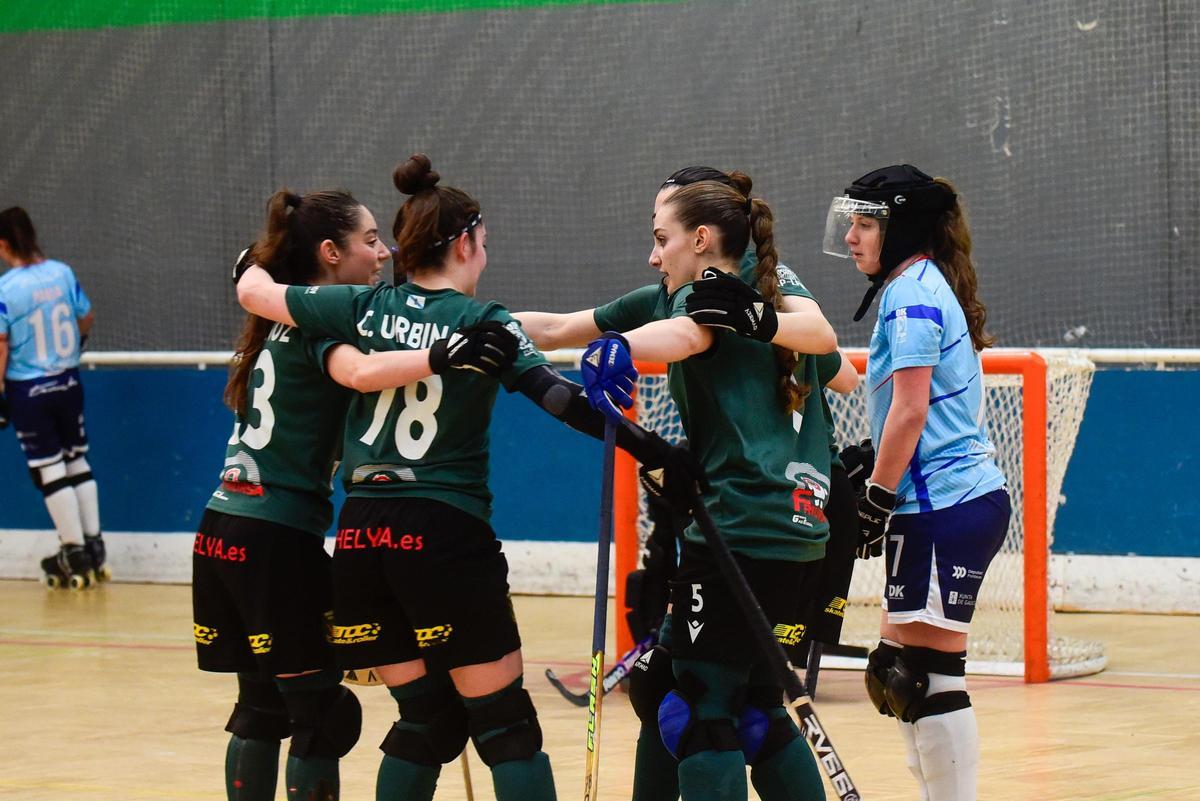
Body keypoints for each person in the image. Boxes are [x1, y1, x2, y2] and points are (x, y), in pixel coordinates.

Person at [234, 154, 700, 801]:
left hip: (362, 534)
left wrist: (248, 265)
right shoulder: (487, 324)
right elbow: (560, 399)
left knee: (426, 719)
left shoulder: (362, 307)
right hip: (442, 531)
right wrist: (654, 450)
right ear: (464, 242)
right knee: (505, 723)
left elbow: (264, 295)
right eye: (483, 241)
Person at [518, 167, 855, 800]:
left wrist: (626, 348)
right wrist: (471, 324)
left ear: (701, 236)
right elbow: (842, 375)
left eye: (661, 236)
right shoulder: (750, 287)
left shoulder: (737, 290)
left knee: (703, 710)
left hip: (740, 530)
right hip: (802, 535)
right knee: (704, 695)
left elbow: (693, 333)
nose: (652, 254)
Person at [194, 187, 445, 801]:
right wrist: (445, 353)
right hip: (277, 537)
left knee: (261, 706)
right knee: (320, 718)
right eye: (369, 241)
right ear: (330, 254)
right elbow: (358, 372)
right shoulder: (323, 319)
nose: (383, 252)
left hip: (222, 529)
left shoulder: (274, 322)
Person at [822, 164, 1010, 801]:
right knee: (897, 674)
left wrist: (876, 494)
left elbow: (911, 409)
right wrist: (880, 475)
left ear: (899, 229)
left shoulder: (914, 294)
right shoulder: (916, 286)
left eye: (866, 222)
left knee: (926, 676)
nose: (851, 235)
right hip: (935, 502)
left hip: (944, 502)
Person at [0, 206, 104, 589]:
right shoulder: (61, 273)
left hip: (29, 387)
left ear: (4, 244)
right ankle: (94, 545)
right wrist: (74, 348)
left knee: (48, 467)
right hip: (67, 380)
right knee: (76, 458)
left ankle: (73, 551)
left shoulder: (7, 288)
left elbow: (1, 344)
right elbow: (86, 315)